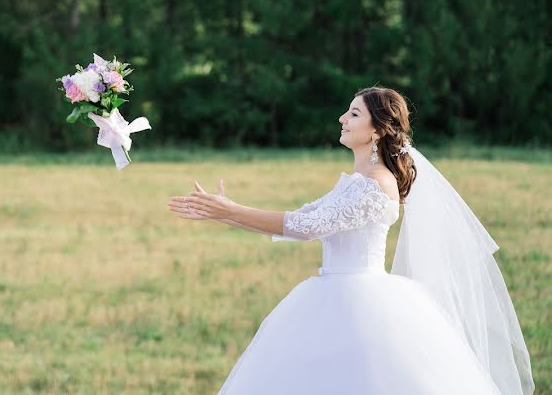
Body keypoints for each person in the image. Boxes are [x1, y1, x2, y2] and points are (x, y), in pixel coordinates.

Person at [169, 87, 534, 395]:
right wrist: (224, 213)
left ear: (377, 131)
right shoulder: (355, 181)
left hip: (362, 303)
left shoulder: (375, 184)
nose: (343, 118)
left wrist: (230, 208)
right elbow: (296, 223)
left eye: (354, 114)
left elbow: (304, 226)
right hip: (334, 291)